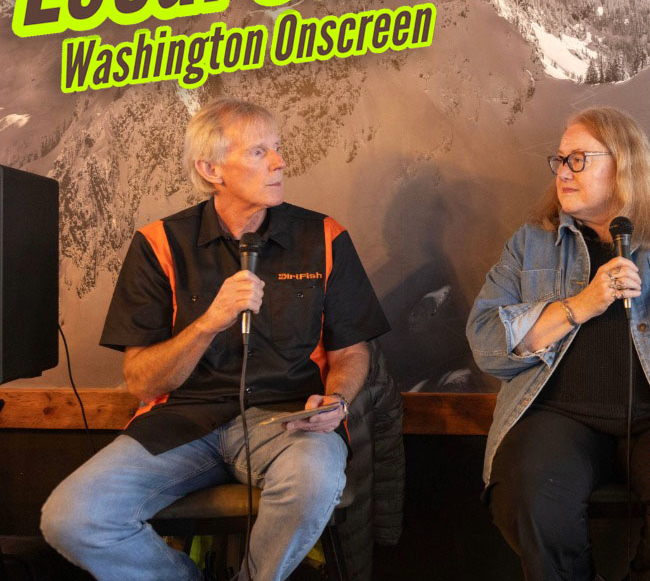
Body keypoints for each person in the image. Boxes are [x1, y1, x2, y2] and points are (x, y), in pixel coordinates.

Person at [41, 99, 390, 581]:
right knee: (71, 518)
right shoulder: (159, 244)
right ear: (211, 170)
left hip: (288, 420)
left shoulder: (324, 237)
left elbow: (351, 350)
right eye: (259, 152)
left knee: (314, 480)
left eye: (278, 148)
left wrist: (337, 400)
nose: (279, 162)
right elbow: (141, 383)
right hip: (181, 423)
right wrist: (208, 322)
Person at [467, 106, 650, 581]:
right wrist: (581, 304)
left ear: (625, 163)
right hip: (556, 415)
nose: (563, 172)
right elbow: (487, 342)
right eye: (559, 161)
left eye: (578, 159)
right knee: (526, 495)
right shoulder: (529, 244)